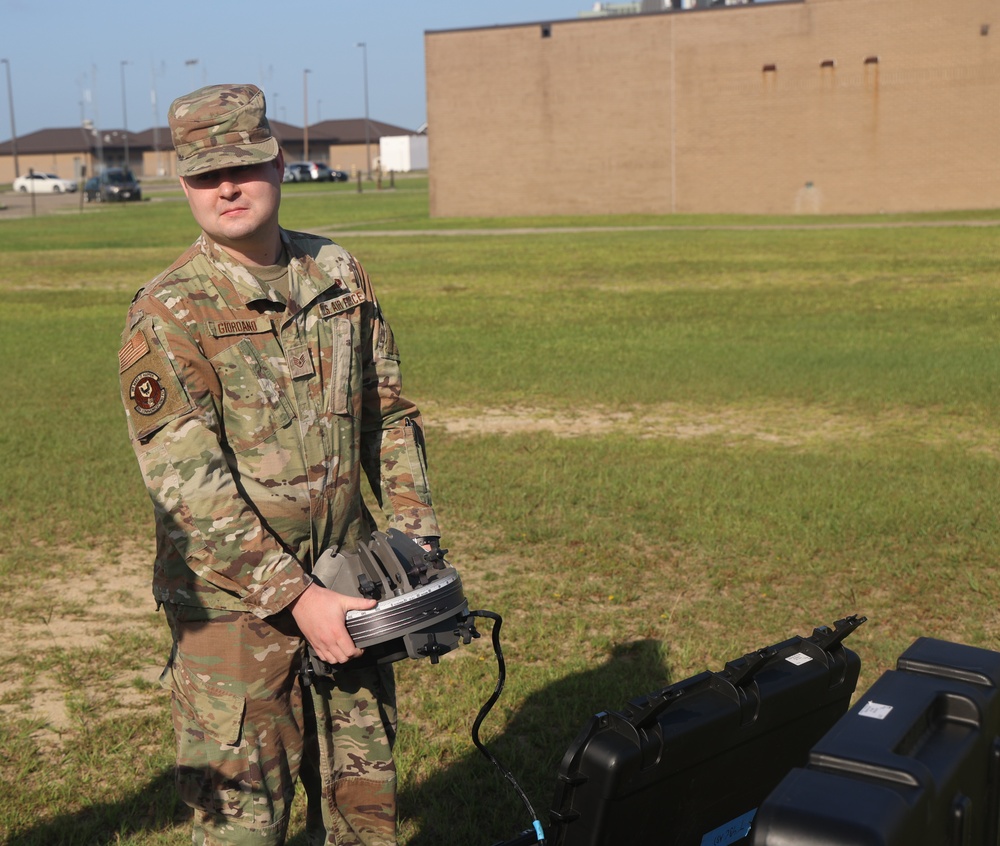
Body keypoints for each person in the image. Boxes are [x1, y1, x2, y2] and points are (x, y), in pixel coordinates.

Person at [118, 83, 440, 846]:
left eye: (243, 165)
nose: (226, 187)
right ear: (184, 182)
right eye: (204, 174)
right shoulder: (169, 311)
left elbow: (386, 416)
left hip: (351, 583)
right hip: (234, 617)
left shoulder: (337, 274)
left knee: (367, 813)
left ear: (279, 162)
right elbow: (187, 487)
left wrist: (417, 541)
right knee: (242, 827)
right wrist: (297, 600)